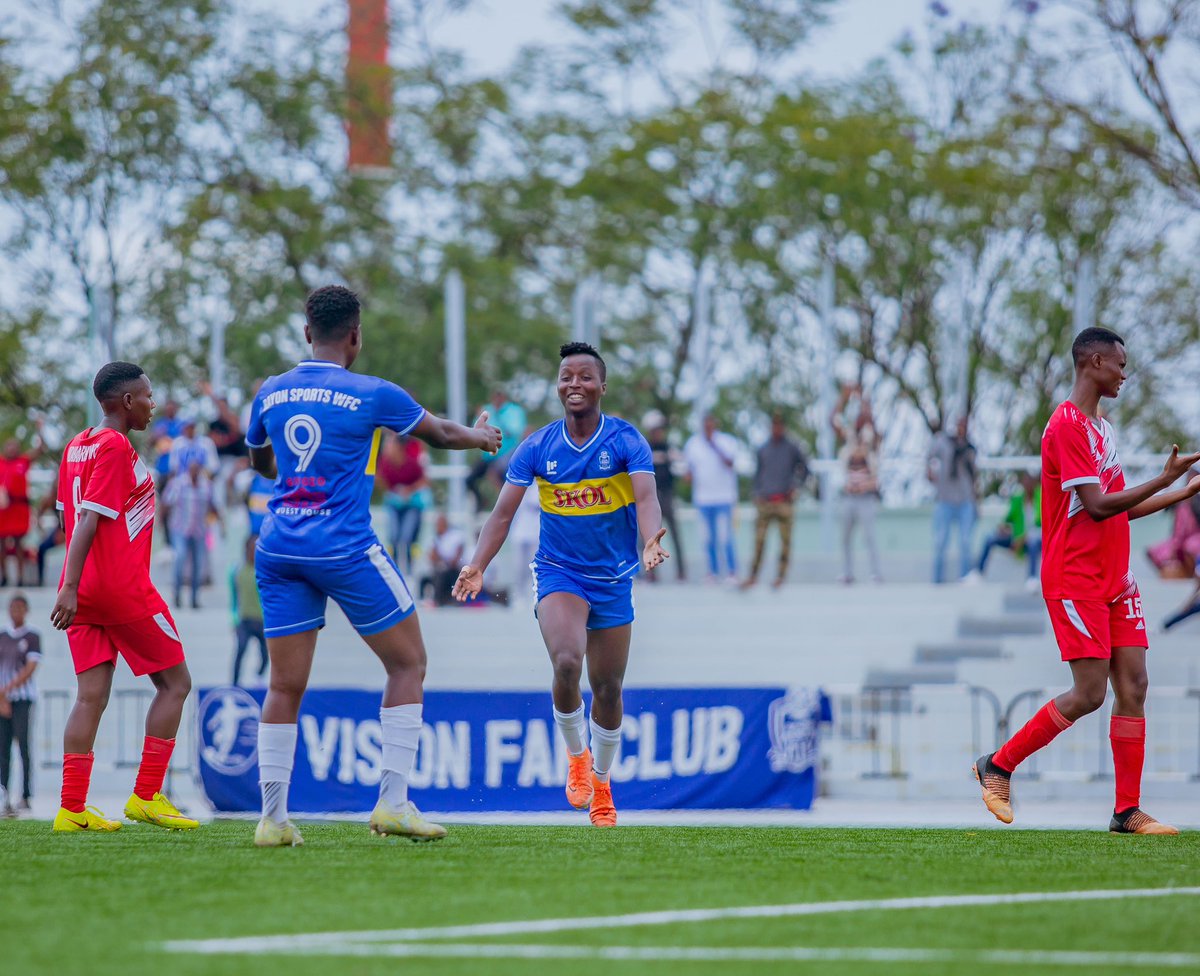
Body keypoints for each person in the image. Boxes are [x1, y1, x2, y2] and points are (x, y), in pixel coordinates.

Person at [245, 285, 501, 847]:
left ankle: (272, 819)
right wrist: (483, 437)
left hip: (279, 546)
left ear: (306, 332)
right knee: (408, 664)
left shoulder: (271, 391)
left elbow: (260, 459)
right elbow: (439, 434)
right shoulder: (372, 392)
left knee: (284, 683)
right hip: (342, 546)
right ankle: (392, 803)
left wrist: (283, 469)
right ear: (355, 336)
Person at [973, 327, 1200, 835]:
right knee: (1090, 693)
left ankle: (1126, 811)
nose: (1124, 373)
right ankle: (998, 764)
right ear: (1093, 362)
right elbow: (1097, 507)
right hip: (1075, 578)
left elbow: (1124, 508)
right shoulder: (1065, 427)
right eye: (1119, 364)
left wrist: (1181, 493)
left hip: (1115, 578)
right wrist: (1163, 480)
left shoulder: (1102, 427)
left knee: (1135, 684)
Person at [453, 341, 669, 828]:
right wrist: (477, 564)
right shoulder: (537, 446)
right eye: (567, 376)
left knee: (609, 688)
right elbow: (502, 513)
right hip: (559, 572)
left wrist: (650, 538)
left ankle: (602, 782)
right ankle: (576, 758)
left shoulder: (626, 440)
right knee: (568, 661)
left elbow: (648, 496)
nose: (575, 384)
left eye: (585, 377)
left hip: (613, 579)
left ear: (602, 386)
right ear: (558, 386)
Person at [50, 361, 197, 832]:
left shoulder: (76, 445)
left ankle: (71, 809)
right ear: (128, 401)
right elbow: (89, 520)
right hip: (119, 588)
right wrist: (76, 585)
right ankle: (147, 795)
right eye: (149, 396)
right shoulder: (114, 446)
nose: (153, 405)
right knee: (176, 684)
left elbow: (65, 518)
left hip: (83, 594)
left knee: (90, 695)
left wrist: (72, 588)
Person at [742, 413, 809, 589]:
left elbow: (805, 469)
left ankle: (780, 576)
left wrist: (795, 487)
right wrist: (757, 493)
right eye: (774, 425)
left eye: (780, 425)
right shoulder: (763, 448)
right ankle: (753, 575)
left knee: (785, 542)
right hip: (765, 502)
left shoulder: (792, 448)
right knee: (759, 541)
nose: (777, 429)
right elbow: (757, 474)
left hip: (785, 502)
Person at [832, 392, 883, 585]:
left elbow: (877, 478)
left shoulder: (873, 444)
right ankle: (847, 573)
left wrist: (862, 485)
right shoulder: (849, 442)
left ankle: (876, 573)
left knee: (869, 537)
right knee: (845, 537)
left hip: (866, 498)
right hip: (848, 498)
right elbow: (835, 421)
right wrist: (843, 398)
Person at [684, 414, 739, 583]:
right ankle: (713, 571)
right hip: (703, 499)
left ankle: (731, 572)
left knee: (725, 536)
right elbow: (688, 471)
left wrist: (714, 445)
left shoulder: (726, 441)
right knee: (707, 537)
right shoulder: (693, 444)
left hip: (724, 498)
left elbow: (731, 463)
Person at [0, 593, 40, 816]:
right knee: (3, 748)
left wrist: (8, 690)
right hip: (3, 700)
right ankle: (4, 792)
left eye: (20, 608)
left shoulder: (32, 636)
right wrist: (1, 698)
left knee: (23, 746)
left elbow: (31, 667)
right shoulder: (2, 636)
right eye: (13, 607)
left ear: (26, 610)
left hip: (22, 699)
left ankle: (25, 795)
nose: (16, 611)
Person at [968, 471, 1042, 588]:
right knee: (990, 538)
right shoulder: (1018, 499)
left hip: (1035, 540)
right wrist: (1004, 528)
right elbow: (1007, 520)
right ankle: (978, 573)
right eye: (1025, 481)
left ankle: (1032, 578)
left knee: (1033, 541)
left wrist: (1022, 538)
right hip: (1017, 538)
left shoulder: (1041, 499)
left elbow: (1042, 525)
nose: (1028, 484)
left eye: (1030, 481)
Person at [163, 460, 220, 609]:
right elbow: (166, 503)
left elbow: (212, 505)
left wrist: (220, 521)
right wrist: (164, 530)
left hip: (199, 530)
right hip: (180, 528)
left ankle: (194, 598)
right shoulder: (178, 484)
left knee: (197, 564)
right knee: (180, 558)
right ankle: (177, 594)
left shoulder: (206, 485)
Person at [928, 415, 978, 583]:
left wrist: (977, 500)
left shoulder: (970, 448)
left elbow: (973, 477)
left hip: (965, 500)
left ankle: (964, 578)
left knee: (965, 541)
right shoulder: (944, 443)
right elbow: (929, 456)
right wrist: (929, 472)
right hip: (945, 499)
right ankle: (937, 580)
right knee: (940, 541)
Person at [0, 424, 47, 587]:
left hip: (19, 508)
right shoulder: (1, 462)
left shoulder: (23, 461)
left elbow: (41, 449)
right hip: (4, 510)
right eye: (9, 446)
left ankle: (20, 578)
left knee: (19, 543)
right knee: (1, 544)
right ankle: (4, 576)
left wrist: (40, 429)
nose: (12, 449)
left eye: (14, 446)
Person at [376, 434, 429, 572]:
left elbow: (424, 480)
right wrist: (392, 491)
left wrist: (409, 491)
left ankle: (410, 568)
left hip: (412, 504)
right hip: (395, 504)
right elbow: (380, 478)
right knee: (393, 536)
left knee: (407, 536)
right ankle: (395, 566)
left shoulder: (411, 463)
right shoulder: (386, 464)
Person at [466, 389, 527, 509]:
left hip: (506, 452)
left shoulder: (514, 411)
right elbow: (476, 430)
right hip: (488, 454)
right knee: (469, 479)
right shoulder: (487, 410)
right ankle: (482, 501)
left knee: (498, 473)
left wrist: (499, 417)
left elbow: (514, 433)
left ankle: (506, 502)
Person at [643, 411, 686, 581]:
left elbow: (680, 468)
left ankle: (681, 571)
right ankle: (651, 572)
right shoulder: (645, 448)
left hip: (667, 495)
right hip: (651, 496)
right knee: (649, 535)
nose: (658, 433)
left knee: (675, 534)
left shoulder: (669, 448)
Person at [230, 536, 267, 686]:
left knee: (265, 655)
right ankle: (234, 683)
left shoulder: (264, 572)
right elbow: (233, 598)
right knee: (241, 651)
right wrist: (234, 620)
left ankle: (258, 676)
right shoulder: (237, 571)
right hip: (244, 620)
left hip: (262, 620)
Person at [421, 513, 465, 606]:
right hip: (440, 568)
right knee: (425, 578)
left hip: (454, 570)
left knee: (442, 574)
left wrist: (440, 558)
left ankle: (438, 601)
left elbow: (455, 560)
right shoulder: (434, 539)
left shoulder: (456, 536)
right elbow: (431, 558)